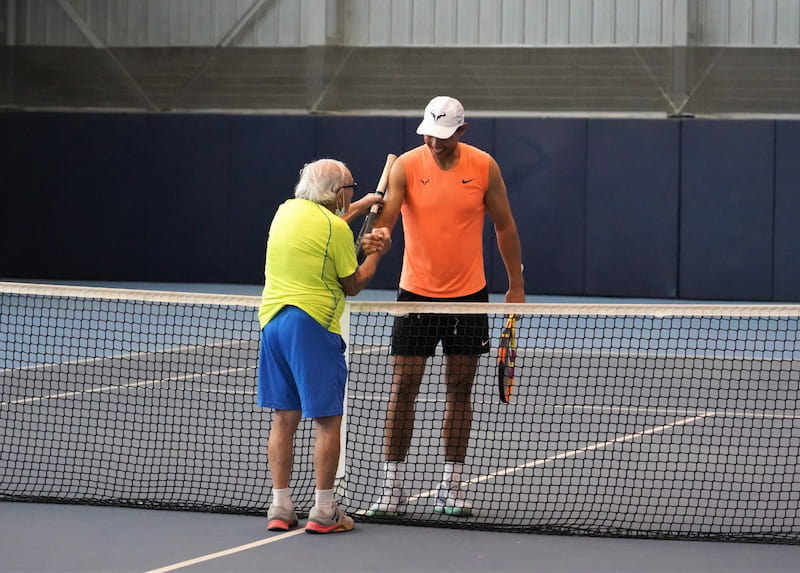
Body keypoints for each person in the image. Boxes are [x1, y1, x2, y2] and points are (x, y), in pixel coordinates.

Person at [367, 96, 525, 517]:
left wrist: (516, 284)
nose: (434, 143)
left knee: (459, 390)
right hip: (415, 293)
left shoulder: (483, 166)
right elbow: (386, 222)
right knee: (404, 388)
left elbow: (504, 225)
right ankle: (392, 488)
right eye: (429, 134)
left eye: (443, 136)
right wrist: (375, 244)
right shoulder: (406, 165)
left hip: (469, 297)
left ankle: (451, 487)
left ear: (462, 130)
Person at [258, 158, 391, 534]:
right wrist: (377, 253)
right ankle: (324, 510)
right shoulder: (334, 227)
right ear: (337, 193)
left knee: (285, 418)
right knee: (328, 421)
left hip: (273, 322)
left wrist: (361, 206)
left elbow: (325, 227)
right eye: (349, 188)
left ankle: (280, 507)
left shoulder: (286, 211)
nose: (350, 193)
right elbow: (352, 284)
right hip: (313, 324)